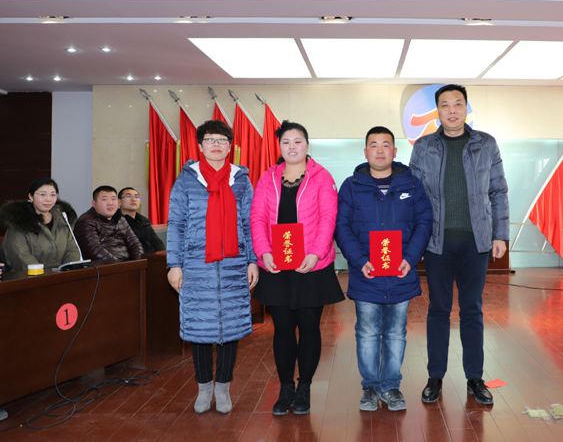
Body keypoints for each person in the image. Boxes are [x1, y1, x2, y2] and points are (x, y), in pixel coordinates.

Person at [409, 84, 509, 406]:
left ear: (466, 108)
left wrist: (500, 235)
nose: (452, 110)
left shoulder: (485, 144)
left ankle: (475, 378)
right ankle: (435, 376)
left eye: (457, 104)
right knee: (438, 310)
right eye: (445, 105)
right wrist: (413, 241)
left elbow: (498, 191)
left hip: (475, 244)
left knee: (472, 310)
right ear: (437, 111)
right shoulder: (424, 146)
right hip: (436, 244)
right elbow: (413, 196)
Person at [335, 126, 433, 412]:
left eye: (386, 144)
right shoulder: (351, 186)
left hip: (401, 272)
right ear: (365, 151)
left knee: (395, 333)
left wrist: (411, 258)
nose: (380, 150)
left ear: (395, 151)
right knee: (367, 333)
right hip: (366, 273)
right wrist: (359, 260)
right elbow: (341, 227)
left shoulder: (411, 185)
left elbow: (424, 222)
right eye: (374, 145)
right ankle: (370, 387)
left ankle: (390, 386)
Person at [251, 121, 344, 416]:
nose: (292, 147)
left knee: (308, 327)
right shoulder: (267, 178)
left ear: (307, 145)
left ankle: (304, 387)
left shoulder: (321, 176)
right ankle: (285, 388)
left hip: (311, 265)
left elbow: (329, 218)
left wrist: (316, 253)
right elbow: (257, 217)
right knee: (282, 329)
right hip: (277, 265)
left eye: (298, 141)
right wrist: (264, 251)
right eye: (286, 142)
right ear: (279, 146)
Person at [166, 119, 259, 414]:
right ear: (200, 145)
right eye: (210, 140)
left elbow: (249, 223)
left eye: (221, 140)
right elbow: (176, 224)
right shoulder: (186, 180)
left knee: (231, 328)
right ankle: (204, 388)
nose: (216, 145)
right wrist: (174, 265)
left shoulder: (241, 180)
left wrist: (253, 260)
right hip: (196, 265)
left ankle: (224, 387)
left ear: (230, 146)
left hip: (234, 263)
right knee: (200, 328)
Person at [0, 178, 80, 271]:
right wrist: (45, 274)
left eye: (53, 195)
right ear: (31, 196)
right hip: (30, 276)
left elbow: (72, 251)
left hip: (60, 275)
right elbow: (20, 256)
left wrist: (70, 271)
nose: (48, 199)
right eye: (42, 194)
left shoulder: (62, 219)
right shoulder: (19, 223)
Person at [73, 186, 143, 262]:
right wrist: (121, 265)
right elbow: (95, 251)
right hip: (104, 266)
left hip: (127, 265)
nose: (110, 203)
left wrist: (139, 262)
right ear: (94, 203)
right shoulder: (86, 221)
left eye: (113, 199)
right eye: (104, 199)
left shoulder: (120, 219)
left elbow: (135, 244)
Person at [118, 187, 165, 253]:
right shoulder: (116, 221)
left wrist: (162, 256)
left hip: (150, 257)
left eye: (136, 197)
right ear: (119, 202)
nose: (133, 199)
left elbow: (156, 242)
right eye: (128, 196)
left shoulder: (144, 221)